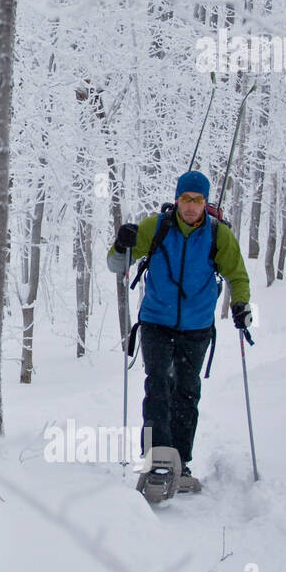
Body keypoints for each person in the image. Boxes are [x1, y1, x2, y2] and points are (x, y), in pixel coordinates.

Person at [106, 170, 252, 492]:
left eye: (197, 200)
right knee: (157, 383)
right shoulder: (154, 227)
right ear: (177, 200)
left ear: (205, 203)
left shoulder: (218, 236)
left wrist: (240, 305)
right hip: (157, 321)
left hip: (197, 327)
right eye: (186, 199)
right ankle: (156, 459)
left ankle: (180, 464)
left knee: (187, 391)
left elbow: (237, 275)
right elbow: (117, 265)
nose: (191, 206)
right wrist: (121, 243)